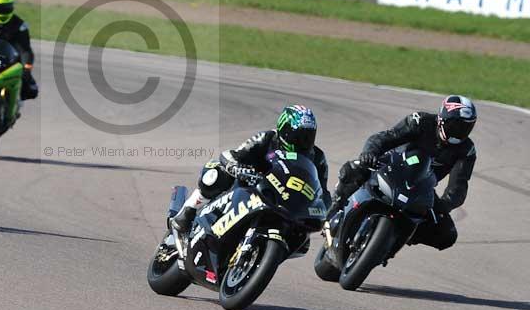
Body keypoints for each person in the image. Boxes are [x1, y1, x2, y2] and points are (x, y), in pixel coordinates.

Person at [327, 95, 477, 251]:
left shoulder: (467, 150)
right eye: (455, 126)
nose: (459, 133)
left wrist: (445, 205)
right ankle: (335, 205)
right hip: (391, 165)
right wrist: (370, 153)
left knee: (447, 235)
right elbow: (385, 137)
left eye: (466, 128)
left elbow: (458, 186)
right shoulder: (420, 121)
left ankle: (396, 236)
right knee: (354, 169)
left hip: (421, 187)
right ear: (441, 119)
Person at [171, 105, 331, 233]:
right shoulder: (267, 138)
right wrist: (237, 168)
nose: (304, 142)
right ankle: (187, 209)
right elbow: (234, 155)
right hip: (251, 185)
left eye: (309, 136)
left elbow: (323, 192)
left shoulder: (318, 157)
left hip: (285, 202)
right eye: (299, 136)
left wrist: (326, 212)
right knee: (215, 171)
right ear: (285, 131)